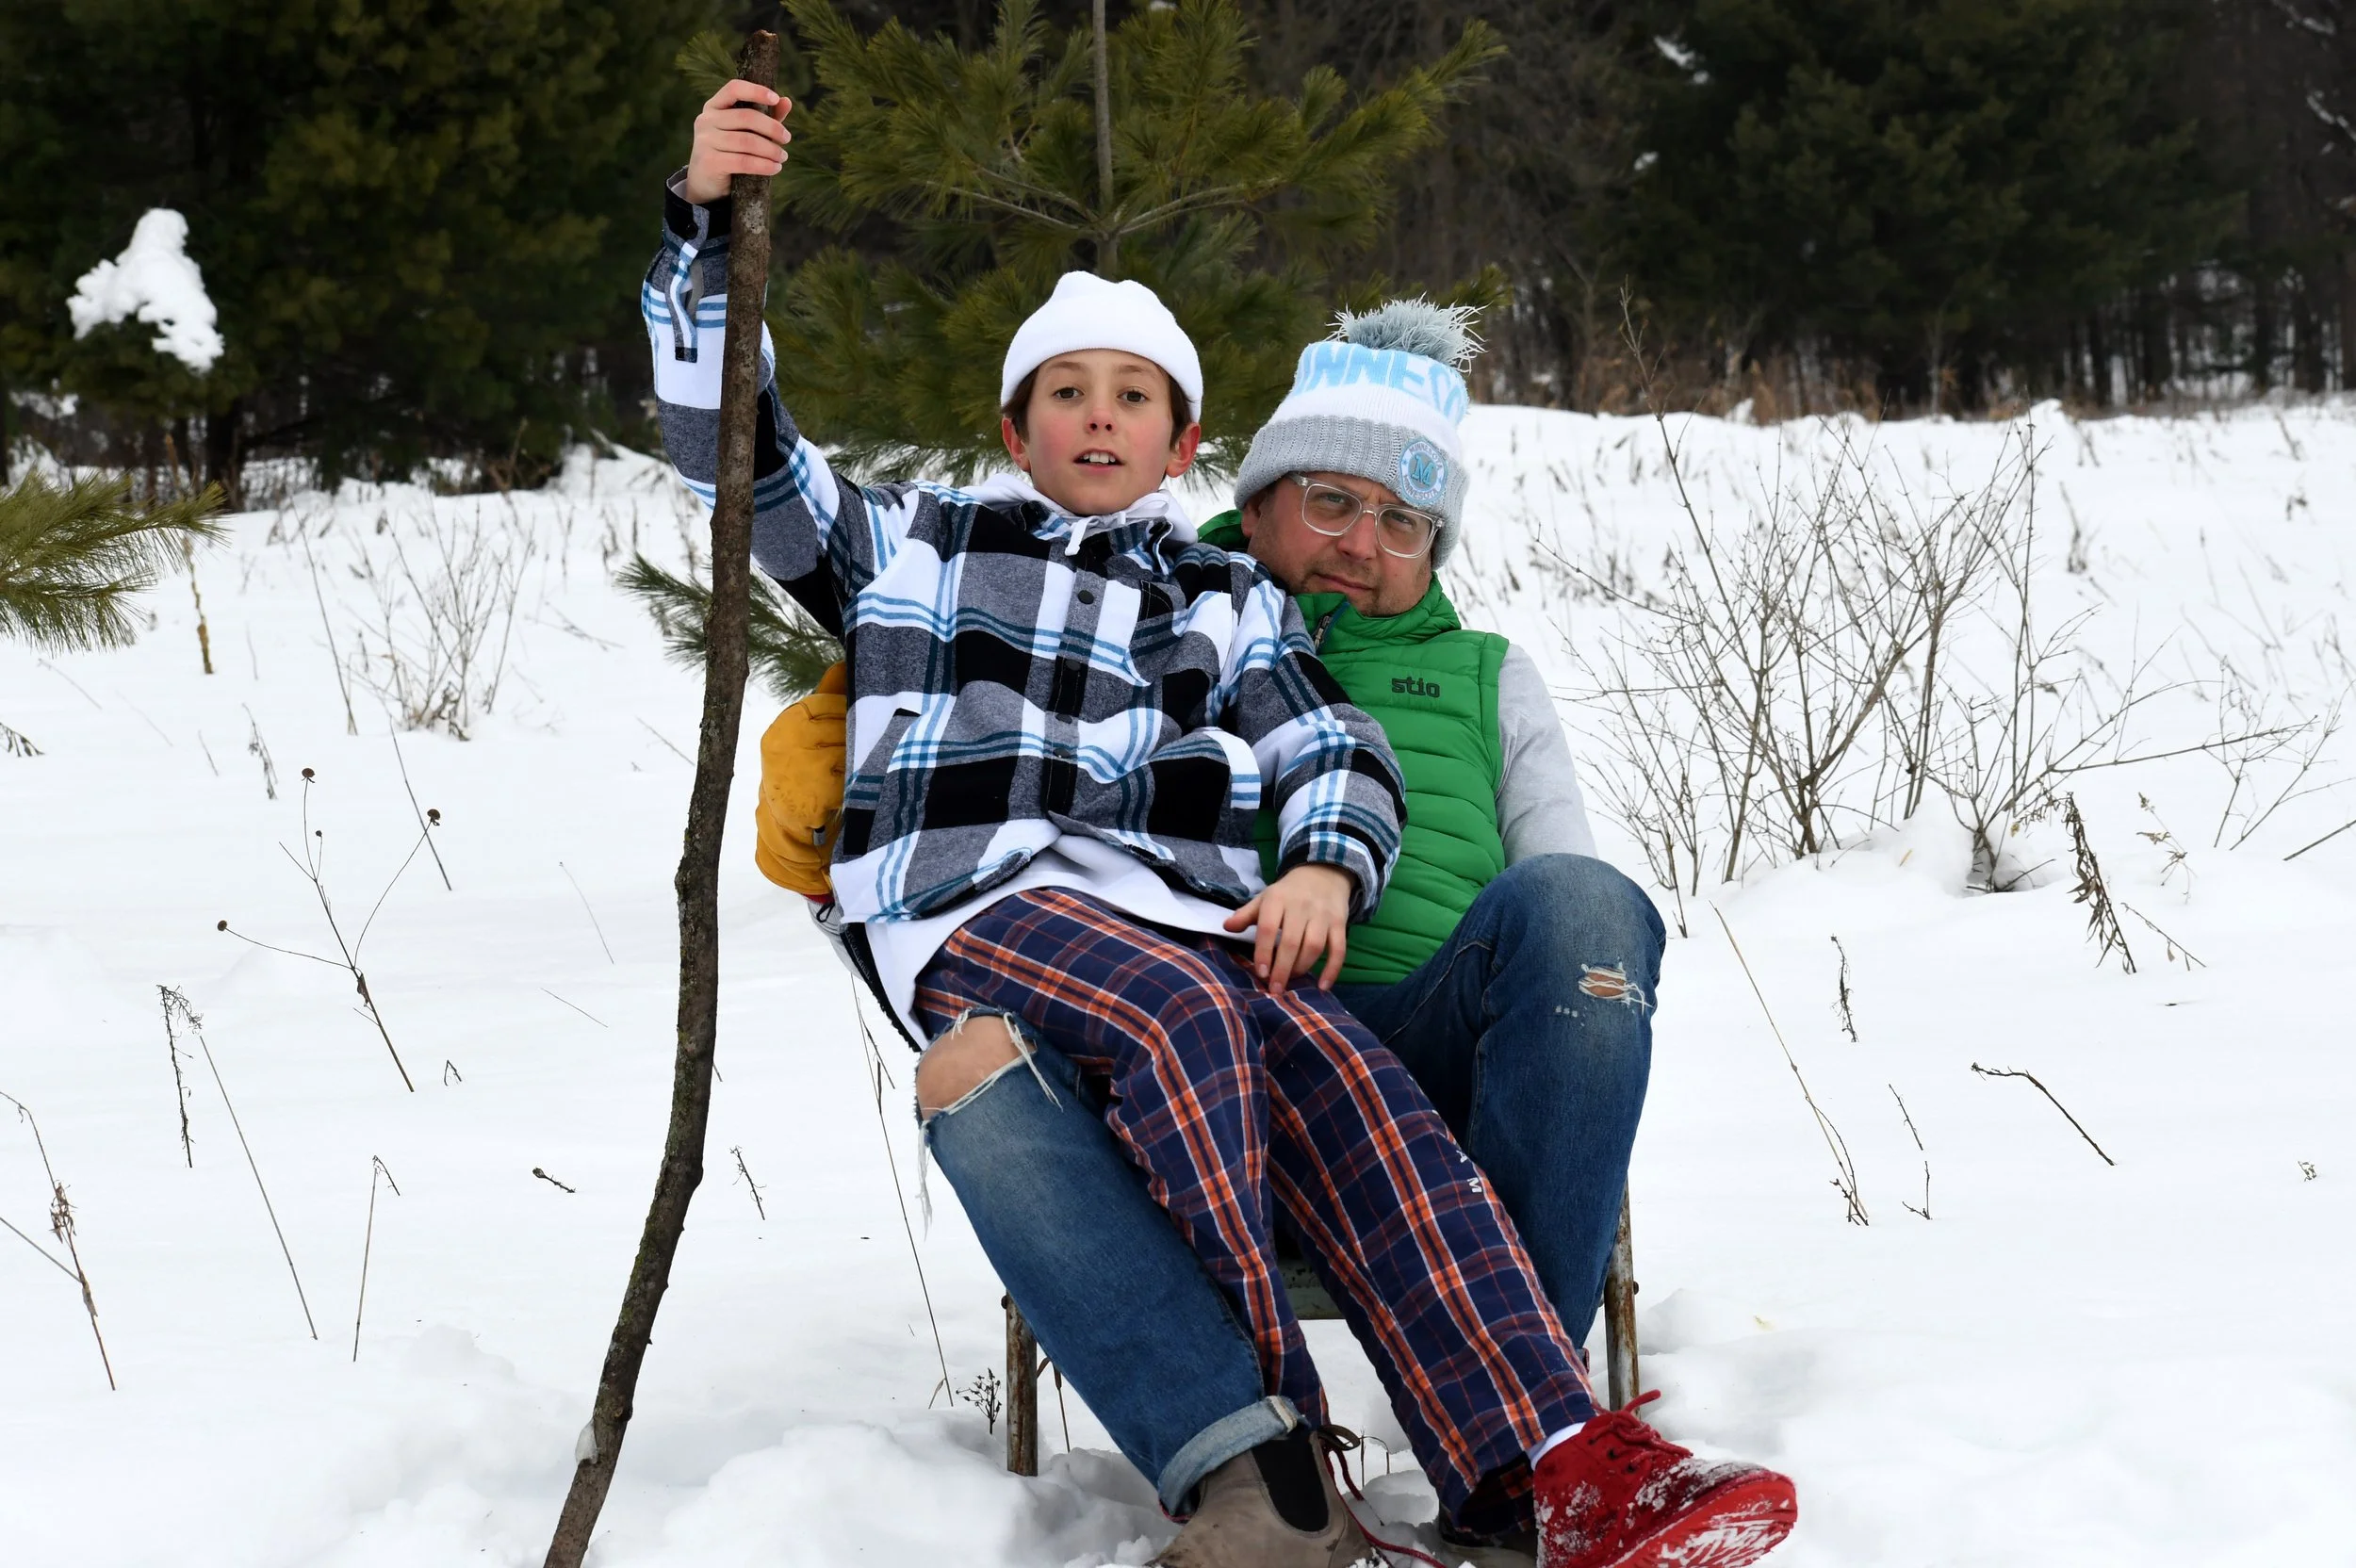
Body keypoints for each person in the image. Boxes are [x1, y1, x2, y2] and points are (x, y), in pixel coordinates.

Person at [685, 81, 1795, 1568]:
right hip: (978, 903)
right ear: (1012, 429)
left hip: (1174, 920)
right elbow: (742, 457)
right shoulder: (917, 545)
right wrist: (708, 230)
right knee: (1181, 1022)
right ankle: (1279, 1461)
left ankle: (1546, 1462)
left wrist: (1332, 862)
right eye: (1066, 392)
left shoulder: (1227, 600)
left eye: (1131, 396)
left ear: (1182, 437)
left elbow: (1331, 742)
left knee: (1348, 1077)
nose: (1098, 417)